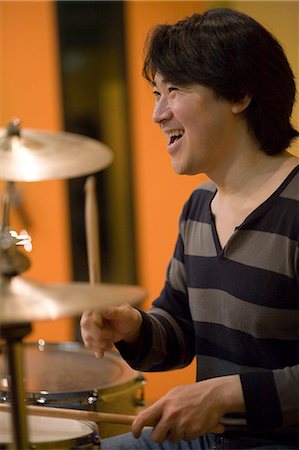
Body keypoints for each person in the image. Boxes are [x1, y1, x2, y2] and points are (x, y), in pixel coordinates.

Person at [80, 7, 299, 450]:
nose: (158, 114)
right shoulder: (199, 207)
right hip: (208, 441)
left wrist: (223, 394)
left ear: (238, 94)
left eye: (174, 90)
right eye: (155, 93)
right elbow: (178, 333)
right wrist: (135, 327)